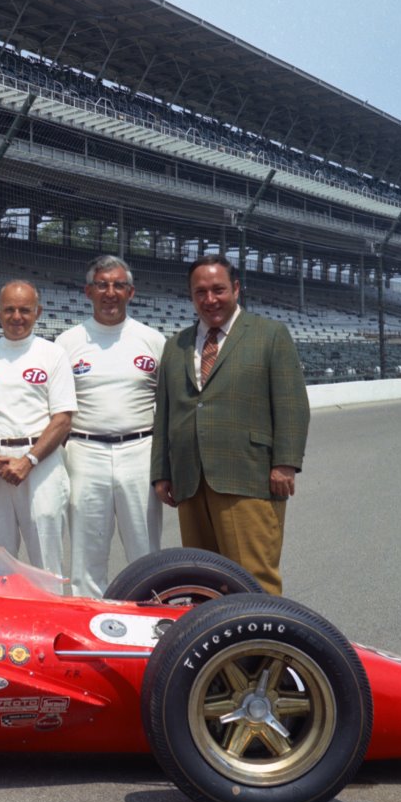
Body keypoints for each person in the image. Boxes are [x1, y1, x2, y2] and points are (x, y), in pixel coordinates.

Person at [151, 255, 310, 595]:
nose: (210, 300)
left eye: (219, 289)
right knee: (202, 577)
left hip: (247, 474)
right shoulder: (176, 345)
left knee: (254, 577)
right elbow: (164, 412)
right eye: (200, 292)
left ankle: (265, 646)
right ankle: (218, 645)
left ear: (236, 288)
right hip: (190, 480)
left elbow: (291, 403)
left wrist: (285, 463)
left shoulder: (269, 335)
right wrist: (161, 471)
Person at [55, 254, 165, 597]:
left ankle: (151, 619)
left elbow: (170, 405)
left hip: (140, 449)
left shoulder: (153, 340)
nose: (110, 292)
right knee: (87, 554)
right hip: (85, 451)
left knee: (145, 549)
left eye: (119, 285)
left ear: (131, 293)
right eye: (102, 285)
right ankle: (90, 627)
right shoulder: (67, 342)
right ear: (88, 291)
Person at [0, 282, 75, 571]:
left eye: (25, 310)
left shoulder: (53, 354)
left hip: (40, 464)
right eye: (10, 309)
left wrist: (29, 461)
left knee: (46, 559)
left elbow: (63, 418)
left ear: (38, 312)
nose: (17, 316)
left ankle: (51, 614)